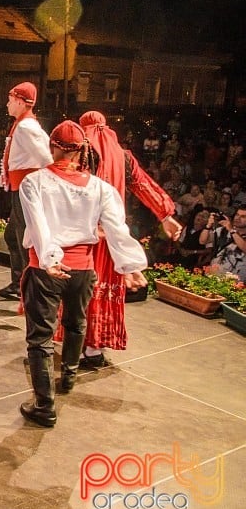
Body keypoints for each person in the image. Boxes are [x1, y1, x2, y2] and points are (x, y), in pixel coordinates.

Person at [17, 121, 147, 428]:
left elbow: (38, 225)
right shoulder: (101, 188)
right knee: (76, 322)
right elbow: (117, 228)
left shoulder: (34, 182)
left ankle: (45, 406)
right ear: (81, 151)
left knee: (40, 337)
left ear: (53, 146)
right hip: (83, 269)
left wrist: (50, 258)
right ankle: (69, 377)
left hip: (47, 269)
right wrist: (131, 266)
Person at [71, 110, 181, 368]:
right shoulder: (123, 157)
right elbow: (144, 185)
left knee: (79, 288)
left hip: (83, 235)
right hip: (112, 234)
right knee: (103, 287)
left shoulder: (81, 152)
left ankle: (74, 343)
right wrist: (166, 214)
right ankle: (94, 349)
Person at [0, 82, 52, 298]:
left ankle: (26, 285)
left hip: (25, 189)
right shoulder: (22, 125)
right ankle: (19, 282)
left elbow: (46, 158)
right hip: (20, 188)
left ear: (20, 102)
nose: (7, 104)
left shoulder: (26, 127)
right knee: (13, 236)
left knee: (21, 238)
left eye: (10, 100)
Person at [209, 206, 246, 282]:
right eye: (237, 215)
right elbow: (202, 241)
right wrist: (208, 225)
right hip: (214, 275)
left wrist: (231, 230)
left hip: (235, 281)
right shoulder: (223, 230)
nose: (238, 218)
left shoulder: (230, 229)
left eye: (243, 217)